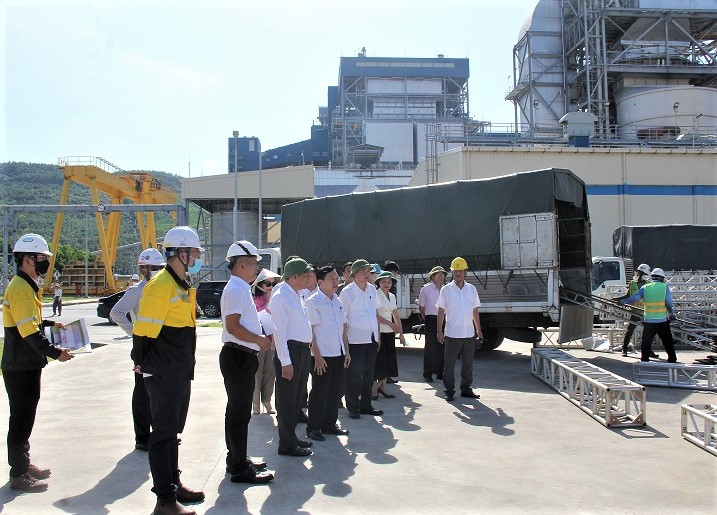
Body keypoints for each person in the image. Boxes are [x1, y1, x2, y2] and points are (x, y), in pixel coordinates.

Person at [133, 226, 205, 515]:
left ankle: (173, 484)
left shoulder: (181, 284)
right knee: (162, 434)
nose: (199, 257)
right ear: (182, 253)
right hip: (163, 370)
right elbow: (143, 331)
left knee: (173, 432)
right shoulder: (160, 285)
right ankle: (164, 501)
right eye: (196, 252)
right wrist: (140, 362)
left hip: (178, 369)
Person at [2, 233, 74, 492]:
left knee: (26, 416)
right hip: (19, 364)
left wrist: (49, 323)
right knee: (20, 419)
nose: (45, 262)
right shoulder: (21, 288)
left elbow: (29, 323)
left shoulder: (26, 285)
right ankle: (18, 474)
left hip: (26, 364)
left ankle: (23, 461)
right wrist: (56, 353)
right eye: (41, 258)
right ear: (27, 259)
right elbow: (28, 333)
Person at [220, 240, 275, 484]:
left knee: (237, 412)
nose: (257, 269)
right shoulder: (235, 289)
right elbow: (232, 327)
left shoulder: (240, 287)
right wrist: (259, 340)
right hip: (238, 355)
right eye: (254, 264)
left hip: (242, 355)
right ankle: (240, 468)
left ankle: (237, 459)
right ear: (241, 264)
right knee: (239, 414)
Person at [110, 248, 166, 452]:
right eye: (152, 268)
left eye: (159, 267)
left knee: (160, 393)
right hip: (144, 348)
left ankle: (160, 433)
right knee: (143, 394)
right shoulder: (136, 291)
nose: (157, 271)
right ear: (143, 269)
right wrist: (134, 332)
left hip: (161, 347)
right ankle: (142, 437)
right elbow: (116, 313)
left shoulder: (162, 288)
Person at [269, 258, 314, 457]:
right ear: (294, 276)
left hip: (302, 350)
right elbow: (279, 333)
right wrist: (285, 361)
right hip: (290, 351)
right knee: (287, 400)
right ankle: (286, 443)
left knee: (297, 399)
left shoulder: (297, 294)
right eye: (305, 275)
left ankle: (292, 437)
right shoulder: (281, 297)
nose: (308, 278)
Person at [304, 265, 351, 441]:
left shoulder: (337, 300)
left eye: (336, 277)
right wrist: (317, 356)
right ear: (320, 282)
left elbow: (343, 327)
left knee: (335, 391)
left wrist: (346, 351)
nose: (335, 280)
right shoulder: (312, 302)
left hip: (338, 354)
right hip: (321, 356)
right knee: (319, 392)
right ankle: (313, 427)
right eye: (331, 278)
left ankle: (330, 424)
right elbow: (310, 332)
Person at [339, 259, 383, 420]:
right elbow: (343, 319)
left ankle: (366, 404)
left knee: (369, 374)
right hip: (355, 340)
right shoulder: (347, 292)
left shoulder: (372, 289)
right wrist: (346, 345)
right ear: (354, 274)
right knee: (354, 374)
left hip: (371, 338)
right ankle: (352, 406)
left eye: (368, 272)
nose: (366, 275)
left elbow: (376, 313)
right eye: (363, 272)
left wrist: (378, 336)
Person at [437, 257, 482, 402]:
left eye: (461, 271)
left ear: (465, 272)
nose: (458, 273)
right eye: (456, 271)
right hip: (452, 334)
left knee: (468, 364)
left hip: (468, 334)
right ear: (452, 272)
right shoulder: (446, 290)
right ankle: (449, 391)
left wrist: (478, 330)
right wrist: (439, 331)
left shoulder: (472, 289)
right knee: (449, 365)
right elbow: (440, 312)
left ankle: (466, 389)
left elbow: (475, 310)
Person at [618, 267, 678, 363]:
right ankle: (672, 358)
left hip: (649, 320)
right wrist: (671, 313)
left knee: (646, 341)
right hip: (661, 319)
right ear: (661, 278)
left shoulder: (645, 287)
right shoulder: (664, 286)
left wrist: (623, 302)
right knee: (667, 341)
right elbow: (669, 302)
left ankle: (645, 358)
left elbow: (634, 298)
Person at [251, 268, 281, 415]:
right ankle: (255, 403)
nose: (271, 287)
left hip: (272, 340)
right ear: (260, 285)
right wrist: (267, 301)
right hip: (258, 340)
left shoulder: (276, 299)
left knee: (270, 372)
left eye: (273, 285)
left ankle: (267, 400)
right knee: (257, 372)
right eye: (268, 284)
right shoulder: (254, 301)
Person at [373, 271, 405, 399]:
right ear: (379, 283)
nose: (386, 284)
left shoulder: (392, 296)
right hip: (379, 332)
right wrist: (390, 324)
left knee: (388, 362)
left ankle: (383, 387)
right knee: (379, 362)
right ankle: (374, 388)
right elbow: (375, 316)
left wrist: (401, 334)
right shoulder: (375, 295)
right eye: (383, 281)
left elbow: (396, 315)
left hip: (389, 334)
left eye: (389, 282)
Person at [617, 263, 656, 357]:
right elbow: (628, 295)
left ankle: (648, 351)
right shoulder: (632, 283)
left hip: (645, 311)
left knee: (648, 332)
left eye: (642, 273)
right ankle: (624, 349)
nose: (640, 275)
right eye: (640, 272)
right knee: (630, 330)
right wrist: (618, 300)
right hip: (635, 311)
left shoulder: (648, 284)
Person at [419, 266, 446, 383]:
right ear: (432, 277)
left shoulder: (445, 289)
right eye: (438, 274)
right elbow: (421, 307)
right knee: (430, 347)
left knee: (442, 347)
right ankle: (427, 373)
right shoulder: (426, 290)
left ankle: (440, 372)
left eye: (442, 274)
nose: (441, 276)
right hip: (431, 319)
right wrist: (427, 319)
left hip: (443, 319)